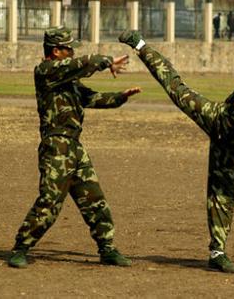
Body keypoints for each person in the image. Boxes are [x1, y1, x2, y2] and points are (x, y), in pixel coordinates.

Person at [118, 30, 234, 273]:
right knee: (176, 89)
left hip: (232, 148)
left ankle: (217, 253)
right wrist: (230, 116)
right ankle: (140, 45)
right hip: (216, 118)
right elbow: (228, 104)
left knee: (223, 196)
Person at [8, 26, 141, 268]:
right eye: (68, 48)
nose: (71, 53)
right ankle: (21, 247)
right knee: (50, 201)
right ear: (56, 51)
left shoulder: (69, 79)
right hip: (55, 145)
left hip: (74, 146)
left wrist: (121, 97)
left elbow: (92, 98)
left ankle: (107, 248)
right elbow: (83, 63)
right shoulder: (46, 71)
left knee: (94, 199)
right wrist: (106, 61)